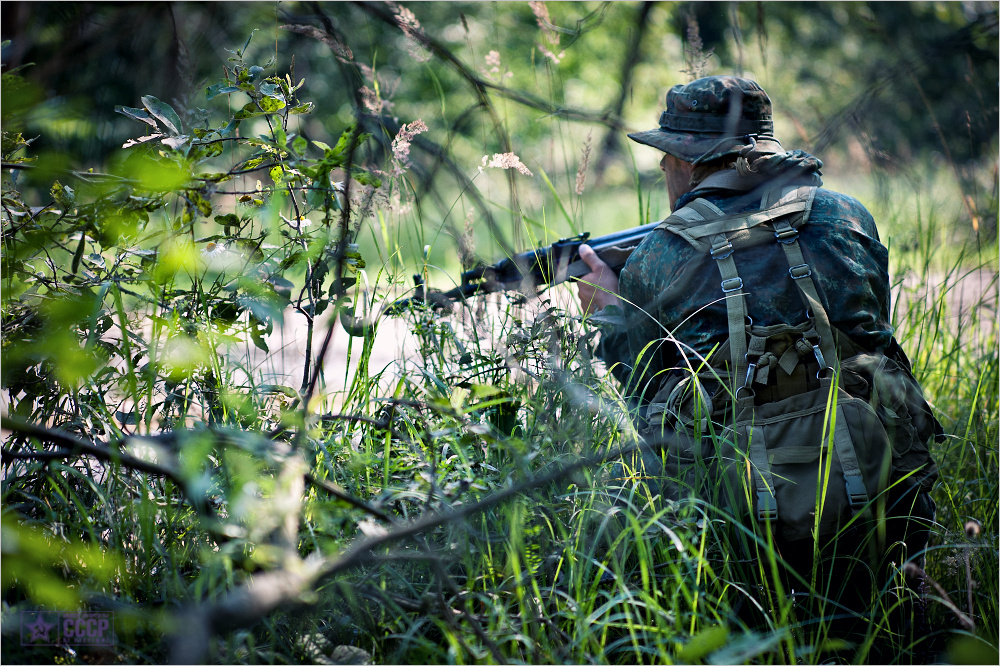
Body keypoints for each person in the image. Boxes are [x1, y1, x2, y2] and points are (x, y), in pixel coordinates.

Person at [574, 75, 940, 648]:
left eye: (666, 157)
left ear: (687, 162)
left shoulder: (660, 253)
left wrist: (608, 313)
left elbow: (639, 393)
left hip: (745, 521)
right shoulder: (849, 216)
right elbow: (874, 335)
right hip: (885, 491)